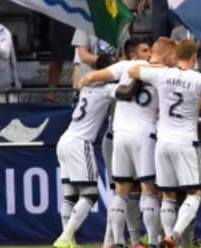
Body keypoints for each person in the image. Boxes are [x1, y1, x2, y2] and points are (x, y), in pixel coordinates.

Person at [126, 40, 201, 248]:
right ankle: (173, 236)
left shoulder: (162, 74)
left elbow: (133, 70)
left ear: (175, 55)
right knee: (196, 191)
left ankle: (167, 237)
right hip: (186, 142)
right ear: (193, 57)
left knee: (167, 194)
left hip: (163, 143)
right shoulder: (199, 79)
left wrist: (157, 65)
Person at [77, 37, 157, 248]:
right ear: (133, 54)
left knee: (126, 191)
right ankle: (119, 241)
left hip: (123, 135)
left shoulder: (126, 69)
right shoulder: (150, 71)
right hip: (126, 137)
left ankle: (126, 241)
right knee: (133, 190)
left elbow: (93, 75)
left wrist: (84, 80)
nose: (149, 54)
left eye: (150, 50)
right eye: (145, 50)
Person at [53, 55, 118, 248]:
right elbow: (126, 91)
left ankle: (68, 240)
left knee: (70, 195)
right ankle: (65, 238)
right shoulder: (106, 90)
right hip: (80, 143)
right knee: (90, 194)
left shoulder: (87, 87)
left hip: (64, 140)